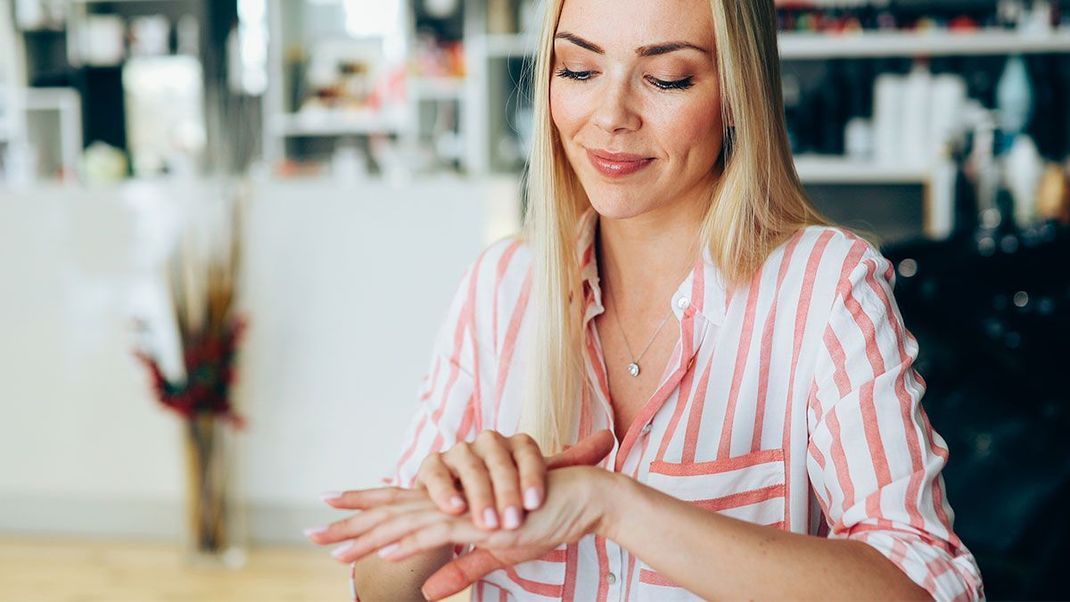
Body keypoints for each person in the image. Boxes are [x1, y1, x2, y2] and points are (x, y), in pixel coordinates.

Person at [306, 0, 985, 599]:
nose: (610, 116)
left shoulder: (827, 288)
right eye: (578, 70)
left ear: (736, 95)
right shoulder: (501, 286)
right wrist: (438, 507)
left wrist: (615, 506)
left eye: (666, 77)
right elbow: (381, 587)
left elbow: (932, 587)